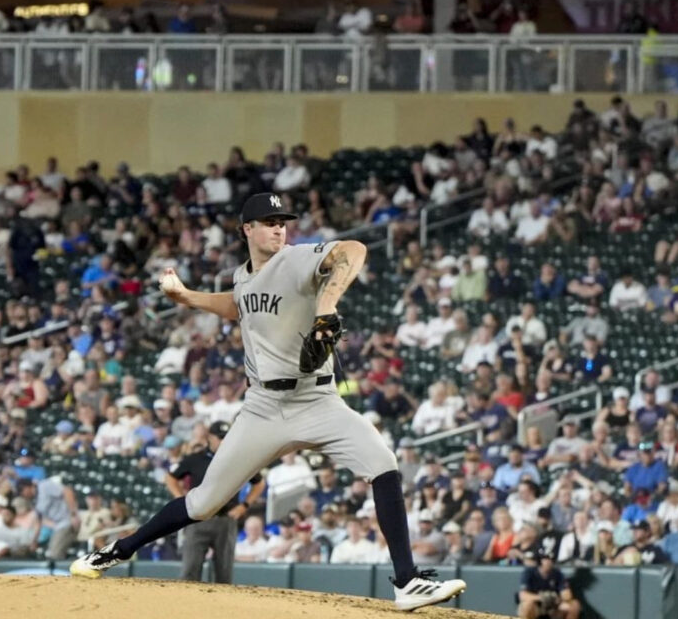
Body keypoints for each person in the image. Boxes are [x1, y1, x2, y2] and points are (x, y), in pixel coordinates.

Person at [70, 193, 466, 611]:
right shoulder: (243, 276)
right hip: (263, 407)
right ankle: (116, 550)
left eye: (282, 222)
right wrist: (187, 297)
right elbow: (239, 304)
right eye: (269, 222)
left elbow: (354, 250)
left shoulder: (294, 259)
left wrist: (326, 304)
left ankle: (406, 581)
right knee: (204, 503)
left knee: (383, 464)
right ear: (247, 229)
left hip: (317, 399)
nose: (279, 229)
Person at [170, 420, 265, 584]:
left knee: (224, 574)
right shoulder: (196, 459)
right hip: (197, 519)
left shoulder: (237, 459)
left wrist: (245, 505)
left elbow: (259, 483)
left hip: (225, 519)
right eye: (220, 437)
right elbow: (171, 478)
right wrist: (181, 498)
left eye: (226, 437)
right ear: (210, 438)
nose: (223, 441)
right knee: (189, 571)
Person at [517, 550, 581, 619]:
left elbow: (567, 595)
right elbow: (523, 595)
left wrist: (556, 598)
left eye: (551, 559)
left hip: (553, 606)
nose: (549, 562)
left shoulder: (557, 573)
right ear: (540, 560)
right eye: (546, 559)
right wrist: (541, 597)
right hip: (537, 605)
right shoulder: (529, 572)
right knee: (527, 605)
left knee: (574, 605)